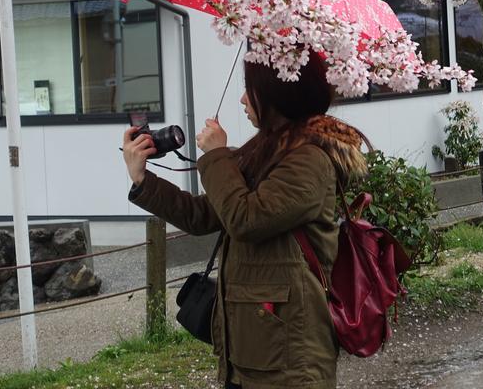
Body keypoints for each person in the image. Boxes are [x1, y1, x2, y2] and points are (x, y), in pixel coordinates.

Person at [122, 51, 367, 389]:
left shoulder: (310, 161)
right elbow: (203, 214)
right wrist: (142, 180)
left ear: (278, 94)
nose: (242, 99)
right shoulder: (267, 150)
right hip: (254, 349)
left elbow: (245, 219)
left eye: (250, 90)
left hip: (291, 360)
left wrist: (217, 155)